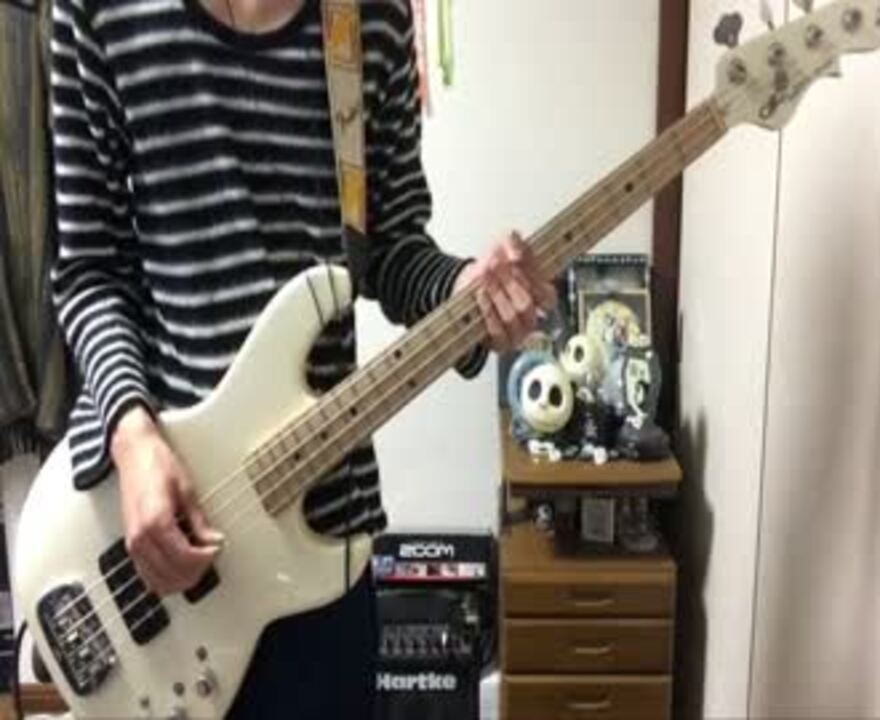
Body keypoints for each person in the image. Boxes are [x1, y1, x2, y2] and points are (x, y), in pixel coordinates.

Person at [49, 0, 555, 716]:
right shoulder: (96, 12)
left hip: (322, 537)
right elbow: (89, 270)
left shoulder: (371, 20)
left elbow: (388, 248)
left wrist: (463, 291)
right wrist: (131, 438)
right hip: (165, 518)